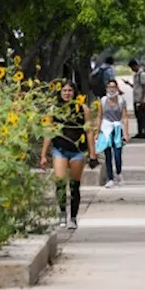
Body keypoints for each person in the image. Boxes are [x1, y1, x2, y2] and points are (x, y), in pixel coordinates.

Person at [40, 80, 97, 230]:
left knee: (74, 185)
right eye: (64, 91)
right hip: (60, 149)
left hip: (77, 151)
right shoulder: (54, 110)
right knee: (59, 182)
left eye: (69, 91)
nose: (67, 93)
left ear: (75, 92)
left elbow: (89, 131)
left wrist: (93, 154)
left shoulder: (83, 109)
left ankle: (73, 217)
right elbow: (48, 132)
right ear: (59, 92)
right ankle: (62, 213)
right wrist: (43, 155)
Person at [98, 78, 130, 187]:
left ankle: (119, 173)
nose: (111, 89)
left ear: (117, 88)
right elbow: (100, 117)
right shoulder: (103, 100)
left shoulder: (121, 101)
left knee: (117, 154)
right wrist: (97, 132)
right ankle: (110, 178)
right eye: (109, 87)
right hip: (106, 129)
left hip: (117, 128)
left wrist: (126, 133)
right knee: (107, 155)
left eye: (113, 87)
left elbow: (125, 117)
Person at [129, 59, 145, 139]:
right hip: (136, 98)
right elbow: (136, 87)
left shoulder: (142, 74)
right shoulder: (136, 74)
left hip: (141, 99)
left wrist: (142, 99)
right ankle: (140, 132)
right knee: (138, 116)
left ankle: (144, 132)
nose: (132, 69)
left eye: (132, 68)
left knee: (142, 117)